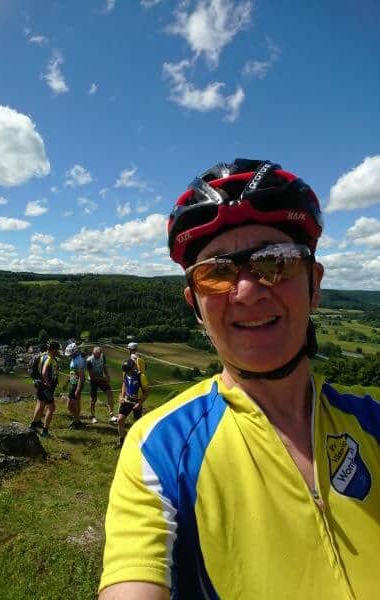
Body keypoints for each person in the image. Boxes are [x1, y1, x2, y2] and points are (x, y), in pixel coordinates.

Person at [99, 159, 380, 599]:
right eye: (217, 273)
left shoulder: (375, 421)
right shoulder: (160, 449)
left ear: (315, 283)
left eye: (277, 261)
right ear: (195, 304)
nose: (248, 291)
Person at [29, 340, 60, 439]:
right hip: (46, 387)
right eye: (57, 350)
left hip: (39, 384)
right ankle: (45, 432)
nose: (57, 352)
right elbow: (44, 372)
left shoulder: (43, 356)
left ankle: (34, 424)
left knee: (41, 404)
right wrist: (47, 382)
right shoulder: (49, 358)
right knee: (51, 408)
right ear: (54, 350)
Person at [117, 358, 148, 447]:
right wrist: (121, 396)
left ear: (133, 368)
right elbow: (124, 384)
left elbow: (146, 391)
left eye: (128, 371)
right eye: (126, 371)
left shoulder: (141, 377)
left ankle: (141, 442)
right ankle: (122, 441)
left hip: (137, 402)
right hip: (127, 400)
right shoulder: (125, 374)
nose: (127, 373)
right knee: (120, 420)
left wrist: (140, 403)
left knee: (138, 422)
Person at [86, 346, 117, 423]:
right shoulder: (89, 361)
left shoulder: (102, 356)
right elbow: (92, 376)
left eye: (99, 354)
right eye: (97, 355)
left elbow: (104, 366)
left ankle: (111, 415)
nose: (98, 356)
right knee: (93, 399)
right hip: (93, 381)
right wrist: (104, 378)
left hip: (101, 378)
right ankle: (93, 416)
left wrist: (107, 376)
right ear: (93, 353)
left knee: (109, 393)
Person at [64, 341, 86, 429]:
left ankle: (77, 420)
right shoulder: (74, 359)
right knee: (76, 404)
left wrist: (78, 389)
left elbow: (81, 376)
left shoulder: (79, 360)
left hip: (76, 384)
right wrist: (67, 382)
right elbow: (72, 373)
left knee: (69, 405)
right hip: (73, 383)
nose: (69, 355)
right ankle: (77, 421)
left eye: (70, 354)